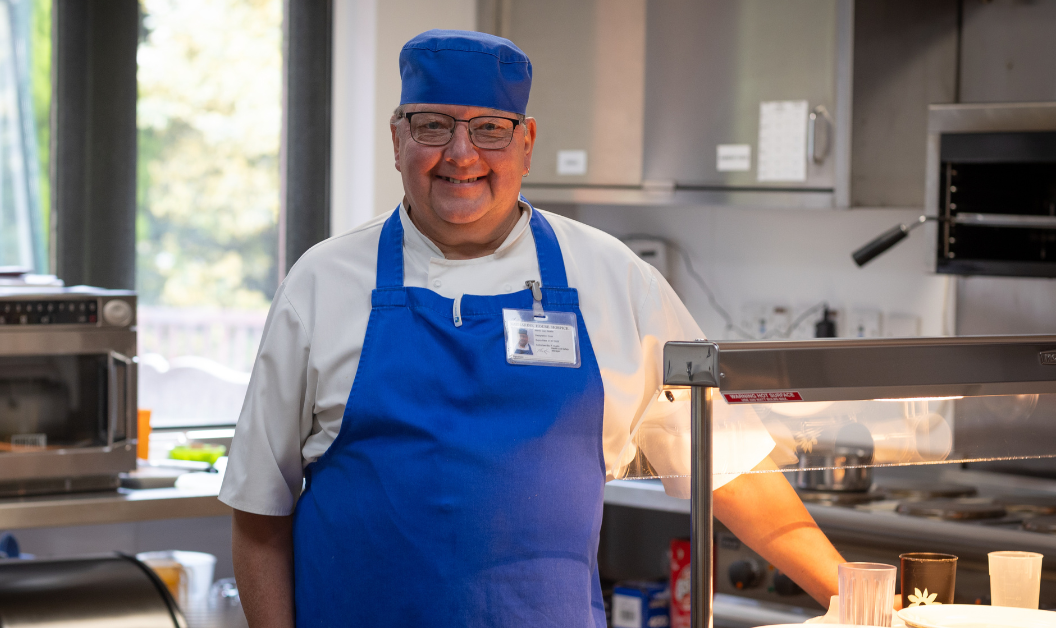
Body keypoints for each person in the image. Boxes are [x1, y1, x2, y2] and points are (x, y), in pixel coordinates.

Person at [222, 29, 846, 628]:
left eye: (491, 129)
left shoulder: (612, 278)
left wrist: (867, 602)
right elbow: (259, 514)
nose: (461, 155)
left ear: (527, 143)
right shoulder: (322, 283)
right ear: (397, 138)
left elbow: (730, 470)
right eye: (433, 125)